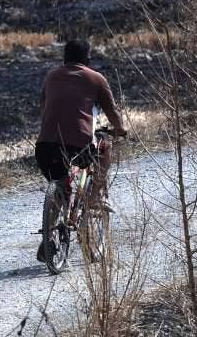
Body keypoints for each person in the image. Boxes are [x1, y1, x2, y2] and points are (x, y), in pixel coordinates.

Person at [35, 39, 126, 261]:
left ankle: (48, 238)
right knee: (104, 147)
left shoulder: (51, 76)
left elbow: (44, 105)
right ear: (87, 58)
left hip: (45, 146)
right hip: (79, 145)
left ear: (64, 58)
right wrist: (121, 129)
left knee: (61, 186)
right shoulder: (96, 78)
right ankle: (94, 200)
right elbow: (111, 111)